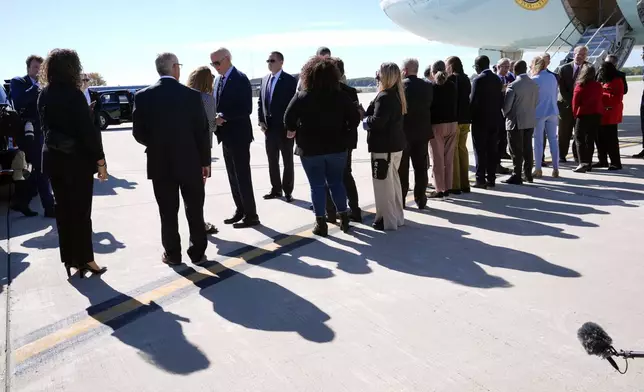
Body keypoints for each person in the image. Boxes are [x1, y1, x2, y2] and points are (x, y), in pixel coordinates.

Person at [133, 52, 211, 266]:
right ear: (175, 68)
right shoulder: (193, 96)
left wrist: (157, 144)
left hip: (160, 164)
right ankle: (198, 253)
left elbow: (138, 133)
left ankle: (173, 254)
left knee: (167, 212)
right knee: (195, 209)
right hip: (190, 162)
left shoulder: (142, 96)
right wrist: (205, 162)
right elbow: (202, 132)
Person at [38, 48, 108, 278]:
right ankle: (86, 259)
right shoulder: (74, 95)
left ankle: (69, 259)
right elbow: (87, 133)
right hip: (76, 162)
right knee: (81, 213)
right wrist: (100, 160)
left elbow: (44, 127)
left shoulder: (44, 94)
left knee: (64, 211)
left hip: (53, 160)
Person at [284, 56, 359, 236]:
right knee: (336, 183)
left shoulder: (302, 96)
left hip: (310, 149)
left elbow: (288, 119)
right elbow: (355, 119)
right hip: (337, 147)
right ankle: (345, 219)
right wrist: (344, 129)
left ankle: (321, 223)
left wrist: (294, 129)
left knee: (317, 186)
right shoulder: (341, 96)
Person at [210, 48, 260, 228]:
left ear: (227, 59)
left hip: (239, 136)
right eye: (212, 63)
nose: (215, 67)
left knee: (242, 176)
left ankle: (251, 215)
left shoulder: (240, 78)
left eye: (217, 63)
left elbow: (246, 108)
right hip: (225, 136)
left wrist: (224, 115)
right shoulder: (218, 80)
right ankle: (241, 209)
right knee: (233, 176)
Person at [10, 55, 55, 217]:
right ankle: (49, 207)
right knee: (41, 169)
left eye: (41, 68)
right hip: (27, 133)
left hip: (42, 131)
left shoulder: (45, 86)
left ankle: (21, 202)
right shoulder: (19, 82)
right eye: (36, 67)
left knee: (36, 170)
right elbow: (19, 100)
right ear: (28, 68)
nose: (38, 71)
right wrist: (37, 86)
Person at [363, 63, 407, 231]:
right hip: (395, 146)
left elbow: (377, 122)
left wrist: (365, 121)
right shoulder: (397, 95)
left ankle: (386, 219)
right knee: (393, 183)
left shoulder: (384, 96)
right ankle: (395, 216)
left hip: (384, 148)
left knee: (383, 186)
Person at [324, 58, 363, 223]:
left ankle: (332, 212)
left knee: (330, 176)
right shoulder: (351, 91)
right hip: (348, 139)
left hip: (335, 141)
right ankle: (353, 209)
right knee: (346, 174)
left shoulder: (328, 92)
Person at [258, 51, 297, 202]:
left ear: (281, 62)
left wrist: (292, 127)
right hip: (269, 129)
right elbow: (261, 103)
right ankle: (276, 189)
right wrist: (261, 121)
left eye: (272, 60)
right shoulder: (265, 79)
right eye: (268, 60)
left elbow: (294, 105)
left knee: (287, 161)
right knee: (272, 160)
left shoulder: (289, 80)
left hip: (285, 128)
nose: (269, 63)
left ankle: (288, 191)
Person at [186, 66, 219, 235]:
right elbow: (210, 126)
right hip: (203, 150)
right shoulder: (207, 99)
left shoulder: (184, 97)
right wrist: (217, 120)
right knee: (199, 191)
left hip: (185, 149)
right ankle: (200, 224)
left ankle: (195, 222)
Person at [398, 58, 433, 209]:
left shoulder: (400, 86)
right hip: (422, 131)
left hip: (405, 132)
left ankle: (402, 198)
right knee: (421, 168)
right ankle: (421, 197)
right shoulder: (427, 85)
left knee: (403, 169)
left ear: (404, 70)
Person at [502, 60, 539, 184]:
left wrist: (504, 114)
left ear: (514, 70)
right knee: (528, 148)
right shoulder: (533, 84)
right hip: (530, 119)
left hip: (516, 121)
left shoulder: (513, 85)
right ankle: (528, 174)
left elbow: (507, 107)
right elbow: (536, 101)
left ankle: (517, 174)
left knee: (516, 150)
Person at [470, 55, 503, 188]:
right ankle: (491, 178)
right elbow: (501, 99)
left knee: (480, 150)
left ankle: (480, 179)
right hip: (495, 119)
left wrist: (470, 117)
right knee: (492, 149)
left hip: (480, 120)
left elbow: (473, 102)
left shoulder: (478, 80)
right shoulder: (497, 79)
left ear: (478, 66)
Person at [428, 60, 458, 199]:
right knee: (449, 159)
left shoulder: (431, 87)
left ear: (433, 72)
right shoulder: (452, 85)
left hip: (437, 125)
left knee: (437, 159)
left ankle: (440, 189)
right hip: (452, 123)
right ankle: (448, 187)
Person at [556, 45, 589, 163]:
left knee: (579, 132)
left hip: (581, 106)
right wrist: (572, 102)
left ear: (586, 56)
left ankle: (577, 155)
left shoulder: (589, 68)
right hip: (565, 105)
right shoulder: (564, 68)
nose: (580, 57)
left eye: (583, 55)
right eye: (578, 54)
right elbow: (562, 88)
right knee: (564, 132)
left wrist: (579, 103)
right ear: (573, 54)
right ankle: (561, 155)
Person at [531, 56, 560, 178]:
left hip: (539, 113)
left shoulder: (535, 79)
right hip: (553, 111)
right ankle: (556, 168)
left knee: (538, 141)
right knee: (553, 140)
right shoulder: (552, 77)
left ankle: (538, 168)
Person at [446, 56, 472, 194]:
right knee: (463, 149)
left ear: (450, 66)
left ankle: (455, 185)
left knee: (454, 151)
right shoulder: (466, 78)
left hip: (456, 119)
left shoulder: (452, 79)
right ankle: (465, 183)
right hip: (466, 119)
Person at [571, 64, 603, 173]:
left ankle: (582, 163)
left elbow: (575, 103)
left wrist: (575, 115)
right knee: (590, 139)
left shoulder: (580, 85)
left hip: (583, 114)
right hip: (596, 114)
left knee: (579, 139)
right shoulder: (598, 85)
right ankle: (588, 163)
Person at [596, 61, 624, 170]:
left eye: (603, 69)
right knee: (599, 139)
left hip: (611, 114)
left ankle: (615, 162)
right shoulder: (602, 81)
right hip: (601, 114)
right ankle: (602, 160)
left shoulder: (617, 81)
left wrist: (602, 93)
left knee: (611, 140)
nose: (601, 71)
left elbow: (617, 98)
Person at [495, 57, 515, 168]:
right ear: (498, 67)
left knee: (504, 135)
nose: (507, 69)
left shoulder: (510, 77)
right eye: (505, 67)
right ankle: (497, 160)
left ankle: (503, 152)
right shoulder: (496, 79)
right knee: (499, 135)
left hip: (508, 109)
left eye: (508, 67)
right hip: (498, 111)